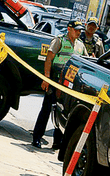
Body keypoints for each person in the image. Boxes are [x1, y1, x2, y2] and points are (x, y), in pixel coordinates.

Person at [31, 19, 88, 149]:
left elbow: (86, 60)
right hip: (54, 81)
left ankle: (57, 142)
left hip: (69, 84)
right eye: (76, 30)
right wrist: (46, 78)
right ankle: (37, 138)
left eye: (80, 30)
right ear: (69, 29)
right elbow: (49, 58)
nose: (79, 32)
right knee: (46, 109)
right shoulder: (59, 40)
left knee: (63, 112)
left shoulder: (80, 45)